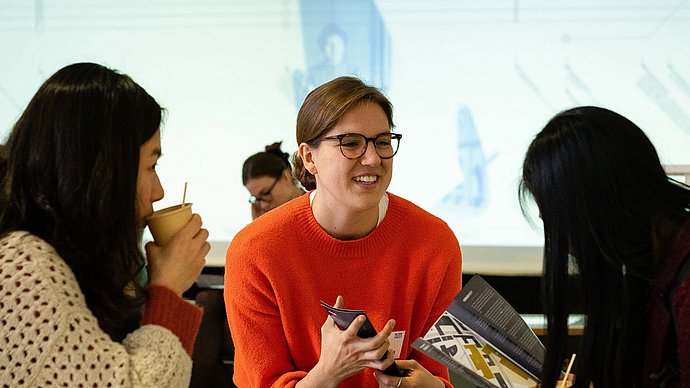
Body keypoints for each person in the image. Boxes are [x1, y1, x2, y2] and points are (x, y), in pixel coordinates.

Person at [225, 76, 462, 387]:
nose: (373, 158)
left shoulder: (435, 243)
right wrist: (329, 372)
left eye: (382, 141)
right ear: (309, 158)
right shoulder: (255, 251)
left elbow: (436, 377)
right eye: (351, 143)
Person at [0, 62, 210, 387]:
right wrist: (167, 289)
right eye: (151, 166)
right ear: (102, 170)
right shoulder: (22, 265)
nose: (159, 191)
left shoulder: (72, 255)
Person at [518, 106, 690, 387]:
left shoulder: (682, 282)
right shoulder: (654, 266)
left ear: (596, 204)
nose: (562, 242)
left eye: (557, 220)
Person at [242, 141, 306, 220]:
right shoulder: (268, 220)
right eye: (257, 199)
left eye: (266, 193)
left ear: (285, 176)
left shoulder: (318, 210)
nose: (263, 205)